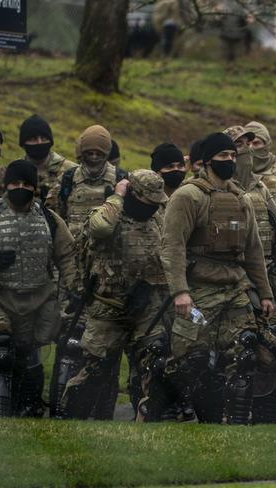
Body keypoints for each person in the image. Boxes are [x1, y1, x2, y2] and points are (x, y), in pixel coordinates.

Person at [160, 132, 276, 425]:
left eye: (232, 156)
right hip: (199, 293)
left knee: (245, 352)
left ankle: (236, 421)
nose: (229, 161)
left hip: (235, 290)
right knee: (192, 360)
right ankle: (173, 405)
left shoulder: (242, 199)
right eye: (223, 156)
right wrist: (180, 292)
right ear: (209, 160)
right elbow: (172, 246)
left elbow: (254, 250)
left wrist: (265, 294)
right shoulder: (188, 196)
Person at [62, 170, 170, 421]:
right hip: (107, 307)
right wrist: (117, 196)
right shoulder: (108, 214)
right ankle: (70, 420)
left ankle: (146, 423)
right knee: (96, 369)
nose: (152, 207)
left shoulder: (156, 219)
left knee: (153, 359)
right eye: (148, 202)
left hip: (145, 306)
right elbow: (100, 229)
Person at [46, 125, 127, 419]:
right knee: (69, 336)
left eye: (99, 152)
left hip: (107, 273)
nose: (93, 157)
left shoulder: (120, 180)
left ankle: (104, 407)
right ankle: (60, 403)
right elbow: (54, 219)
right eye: (89, 151)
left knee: (108, 342)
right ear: (81, 151)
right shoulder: (67, 180)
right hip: (73, 270)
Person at [225, 124, 276, 423]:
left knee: (274, 346)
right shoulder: (213, 188)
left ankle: (267, 411)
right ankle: (230, 411)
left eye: (248, 143)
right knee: (237, 350)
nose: (245, 149)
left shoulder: (259, 187)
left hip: (265, 277)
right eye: (237, 145)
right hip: (228, 281)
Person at [0, 160, 75, 417]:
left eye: (26, 184)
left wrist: (73, 291)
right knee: (2, 350)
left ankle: (30, 406)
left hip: (39, 301)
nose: (20, 188)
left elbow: (66, 257)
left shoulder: (49, 220)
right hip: (2, 300)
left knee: (30, 355)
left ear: (35, 187)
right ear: (5, 185)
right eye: (15, 183)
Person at [19, 114, 77, 205]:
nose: (39, 142)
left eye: (44, 138)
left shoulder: (71, 171)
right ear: (23, 143)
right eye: (33, 139)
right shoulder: (14, 171)